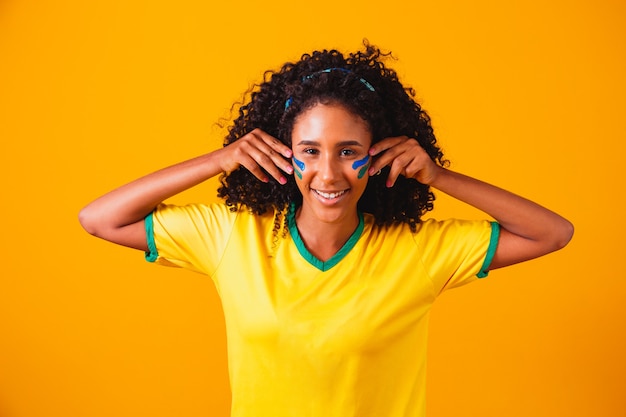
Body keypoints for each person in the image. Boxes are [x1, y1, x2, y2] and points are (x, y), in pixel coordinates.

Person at [78, 42, 573, 417]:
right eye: (310, 151)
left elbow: (551, 232)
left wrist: (438, 176)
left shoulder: (418, 250)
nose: (329, 174)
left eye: (348, 151)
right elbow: (100, 219)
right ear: (283, 151)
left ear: (378, 154)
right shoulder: (233, 236)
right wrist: (219, 159)